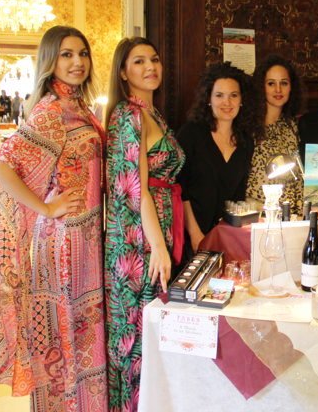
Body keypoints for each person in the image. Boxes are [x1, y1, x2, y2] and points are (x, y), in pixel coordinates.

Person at [0, 26, 108, 411]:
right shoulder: (51, 112)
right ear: (50, 60)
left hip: (86, 241)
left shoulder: (78, 107)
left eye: (82, 53)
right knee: (65, 340)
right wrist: (46, 208)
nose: (77, 62)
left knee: (83, 338)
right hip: (63, 245)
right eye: (66, 54)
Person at [104, 37, 185, 410]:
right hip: (137, 242)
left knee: (151, 331)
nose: (150, 67)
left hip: (156, 231)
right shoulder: (128, 116)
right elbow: (137, 189)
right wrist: (158, 247)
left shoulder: (152, 112)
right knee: (137, 336)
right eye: (138, 61)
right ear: (123, 72)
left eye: (154, 59)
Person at [177, 62, 260, 252]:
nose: (227, 102)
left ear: (242, 100)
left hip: (226, 237)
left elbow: (238, 197)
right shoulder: (191, 133)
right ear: (208, 99)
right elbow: (181, 189)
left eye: (233, 95)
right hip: (192, 238)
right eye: (219, 95)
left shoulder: (246, 141)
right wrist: (195, 234)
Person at [246, 54, 304, 213]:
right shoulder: (248, 127)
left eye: (284, 83)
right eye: (271, 83)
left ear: (291, 87)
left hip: (292, 212)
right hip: (258, 213)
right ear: (261, 87)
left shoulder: (293, 126)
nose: (278, 90)